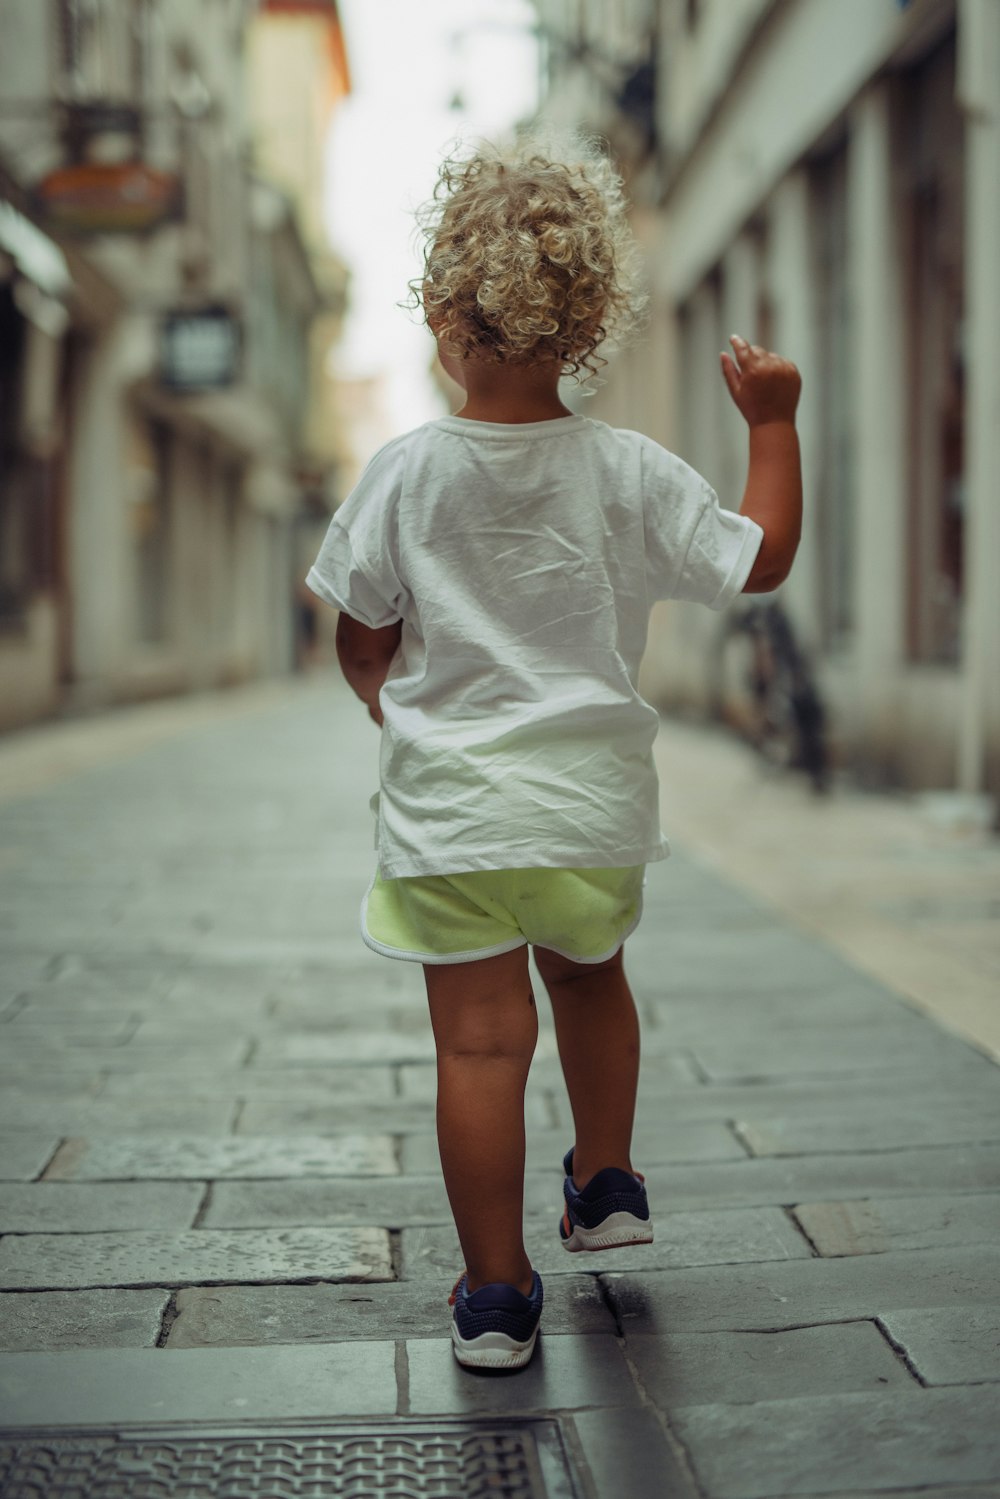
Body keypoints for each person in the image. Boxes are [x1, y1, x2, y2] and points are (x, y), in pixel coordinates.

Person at [305, 130, 802, 1371]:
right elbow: (762, 555)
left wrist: (387, 698)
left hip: (451, 817)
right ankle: (608, 1177)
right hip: (587, 807)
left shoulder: (407, 474)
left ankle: (494, 1296)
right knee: (590, 979)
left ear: (437, 311)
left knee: (479, 1043)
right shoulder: (624, 469)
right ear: (588, 324)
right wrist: (775, 423)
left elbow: (359, 632)